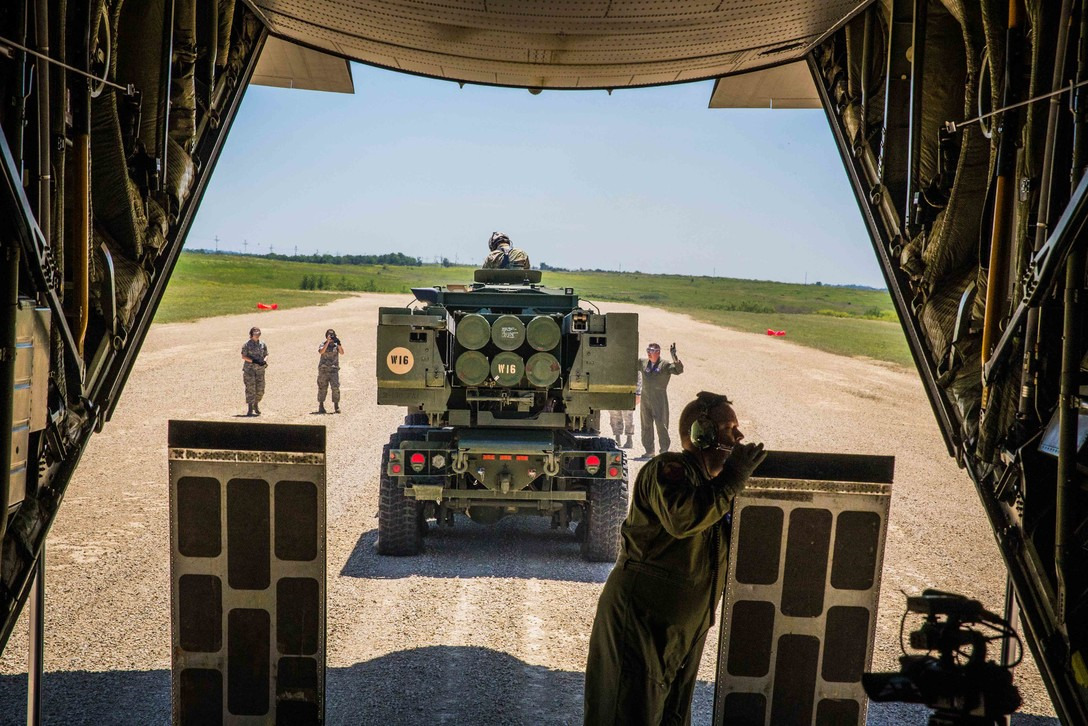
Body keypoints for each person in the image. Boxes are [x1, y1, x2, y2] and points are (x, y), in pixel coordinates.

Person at [583, 392, 767, 726]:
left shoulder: (714, 489)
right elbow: (684, 519)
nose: (739, 437)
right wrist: (733, 479)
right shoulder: (669, 470)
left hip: (678, 636)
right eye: (729, 428)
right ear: (702, 434)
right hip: (641, 627)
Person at [637, 342, 683, 459]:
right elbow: (630, 362)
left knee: (661, 424)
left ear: (658, 352)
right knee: (646, 424)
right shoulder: (643, 363)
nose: (649, 353)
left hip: (659, 398)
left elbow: (678, 370)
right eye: (648, 350)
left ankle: (664, 450)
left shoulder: (665, 365)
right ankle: (649, 451)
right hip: (645, 397)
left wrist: (674, 357)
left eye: (651, 351)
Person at [609, 370, 641, 449]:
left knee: (628, 417)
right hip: (614, 392)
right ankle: (617, 439)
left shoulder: (630, 361)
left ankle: (629, 439)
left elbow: (638, 376)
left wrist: (637, 393)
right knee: (615, 416)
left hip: (628, 393)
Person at [240, 326, 268, 416]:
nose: (257, 333)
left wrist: (264, 361)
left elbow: (266, 354)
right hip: (249, 370)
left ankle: (256, 404)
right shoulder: (247, 345)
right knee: (250, 389)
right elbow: (243, 356)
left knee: (260, 389)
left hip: (260, 370)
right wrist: (254, 361)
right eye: (255, 332)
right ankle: (250, 408)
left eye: (259, 332)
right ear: (251, 334)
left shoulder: (262, 344)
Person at [317, 328, 344, 414]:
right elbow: (321, 352)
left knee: (335, 388)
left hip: (334, 370)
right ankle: (321, 405)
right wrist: (327, 342)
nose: (331, 336)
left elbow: (342, 352)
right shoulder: (323, 344)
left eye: (332, 335)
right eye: (329, 335)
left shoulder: (336, 345)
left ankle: (336, 406)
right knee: (322, 388)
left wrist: (339, 343)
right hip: (323, 370)